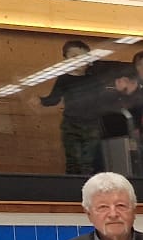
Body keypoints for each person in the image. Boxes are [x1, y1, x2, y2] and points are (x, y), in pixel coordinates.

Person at [38, 39, 112, 175]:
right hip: (71, 124)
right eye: (74, 57)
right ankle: (72, 189)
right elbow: (54, 99)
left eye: (83, 57)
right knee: (73, 160)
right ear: (66, 59)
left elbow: (104, 98)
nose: (79, 61)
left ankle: (87, 187)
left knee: (88, 162)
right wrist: (39, 101)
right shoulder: (64, 79)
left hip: (91, 125)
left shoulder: (94, 80)